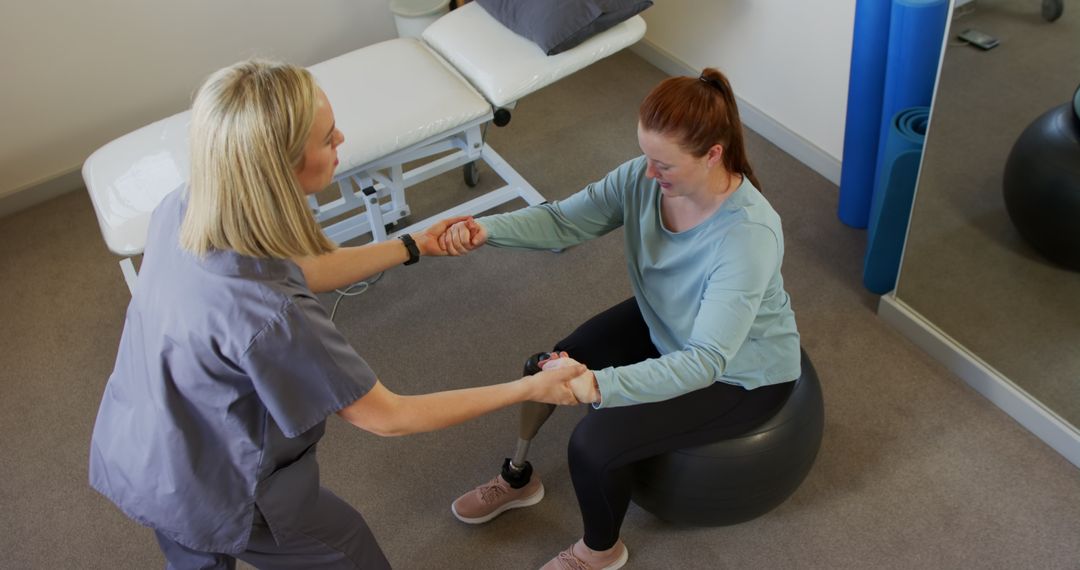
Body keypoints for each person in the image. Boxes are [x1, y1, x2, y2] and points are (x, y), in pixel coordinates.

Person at [87, 59, 586, 570]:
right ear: (280, 169)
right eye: (328, 139)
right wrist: (530, 389)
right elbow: (390, 417)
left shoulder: (188, 205)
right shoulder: (271, 316)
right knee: (349, 553)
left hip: (143, 446)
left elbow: (300, 266)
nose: (342, 137)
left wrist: (412, 245)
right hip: (223, 487)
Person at [439, 68, 802, 570]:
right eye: (646, 157)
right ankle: (518, 478)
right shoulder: (642, 178)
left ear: (713, 154)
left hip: (741, 374)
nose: (648, 174)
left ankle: (600, 551)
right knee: (540, 367)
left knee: (594, 442)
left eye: (664, 165)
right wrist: (485, 229)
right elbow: (563, 220)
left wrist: (597, 386)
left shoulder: (748, 235)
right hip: (670, 322)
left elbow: (705, 360)